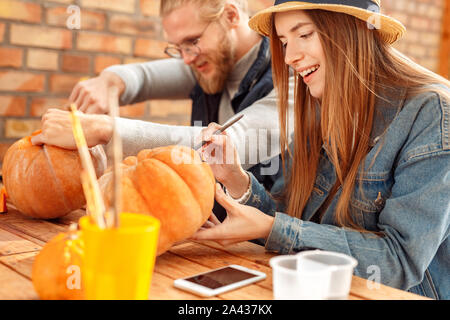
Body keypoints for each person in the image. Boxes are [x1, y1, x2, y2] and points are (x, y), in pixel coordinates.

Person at [192, 0, 450, 300]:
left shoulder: (432, 113)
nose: (289, 57)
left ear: (350, 31)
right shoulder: (318, 109)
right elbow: (290, 220)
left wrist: (273, 228)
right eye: (285, 42)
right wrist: (236, 179)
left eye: (304, 34)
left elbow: (399, 262)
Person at [31, 0, 295, 220]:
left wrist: (104, 129)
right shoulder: (209, 62)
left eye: (192, 41)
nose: (187, 58)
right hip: (210, 236)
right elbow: (143, 77)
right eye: (178, 48)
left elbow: (232, 144)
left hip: (266, 246)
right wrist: (107, 80)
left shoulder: (294, 75)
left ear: (231, 15)